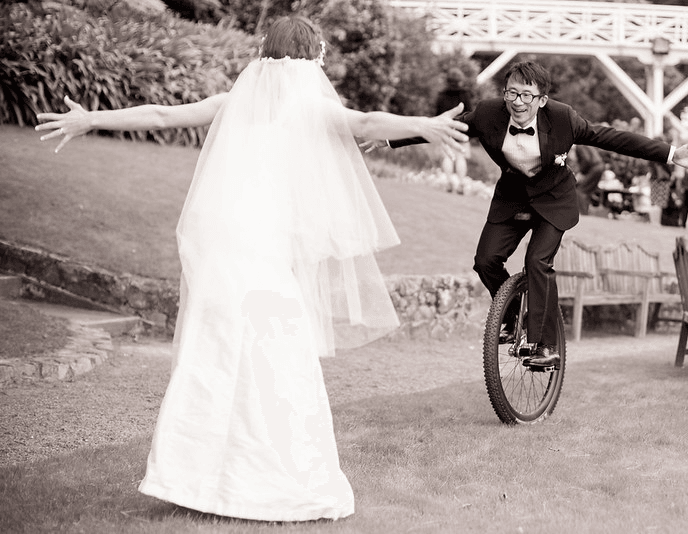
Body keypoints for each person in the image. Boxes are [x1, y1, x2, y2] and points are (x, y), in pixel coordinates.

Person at [35, 16, 467, 522]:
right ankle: (265, 483)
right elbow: (368, 122)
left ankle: (194, 479)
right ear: (312, 59)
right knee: (276, 359)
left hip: (218, 244)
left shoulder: (233, 103)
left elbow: (161, 114)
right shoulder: (313, 107)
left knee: (214, 354)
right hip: (258, 253)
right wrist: (425, 126)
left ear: (264, 54)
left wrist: (91, 120)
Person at [380, 61, 688, 367]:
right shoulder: (488, 114)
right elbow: (448, 128)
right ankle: (510, 317)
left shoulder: (563, 119)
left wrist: (670, 153)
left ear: (542, 99)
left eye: (526, 94)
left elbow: (611, 138)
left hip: (554, 200)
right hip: (512, 197)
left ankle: (545, 345)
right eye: (511, 92)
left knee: (537, 261)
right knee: (485, 260)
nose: (517, 102)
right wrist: (391, 139)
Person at [435, 67, 473, 182]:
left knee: (447, 156)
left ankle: (449, 182)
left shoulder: (441, 95)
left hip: (446, 129)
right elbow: (470, 113)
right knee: (461, 157)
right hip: (461, 130)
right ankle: (461, 182)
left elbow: (438, 114)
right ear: (460, 80)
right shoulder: (465, 95)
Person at [571, 144, 605, 215]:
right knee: (586, 191)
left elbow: (586, 160)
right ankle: (584, 212)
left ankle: (583, 214)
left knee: (580, 191)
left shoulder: (579, 146)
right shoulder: (584, 144)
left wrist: (581, 172)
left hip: (595, 168)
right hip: (599, 166)